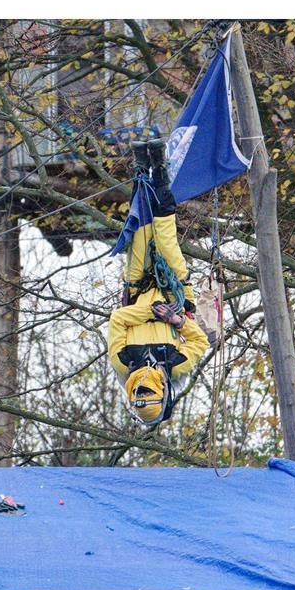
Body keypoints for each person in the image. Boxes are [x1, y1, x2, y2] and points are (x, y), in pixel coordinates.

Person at [107, 139, 210, 426]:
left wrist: (151, 311)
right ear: (162, 393)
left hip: (138, 287)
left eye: (137, 390)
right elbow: (200, 340)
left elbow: (118, 320)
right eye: (147, 391)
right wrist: (177, 322)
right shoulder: (177, 366)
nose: (141, 383)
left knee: (141, 231)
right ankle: (160, 169)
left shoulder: (123, 361)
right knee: (164, 233)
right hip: (174, 288)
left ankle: (141, 168)